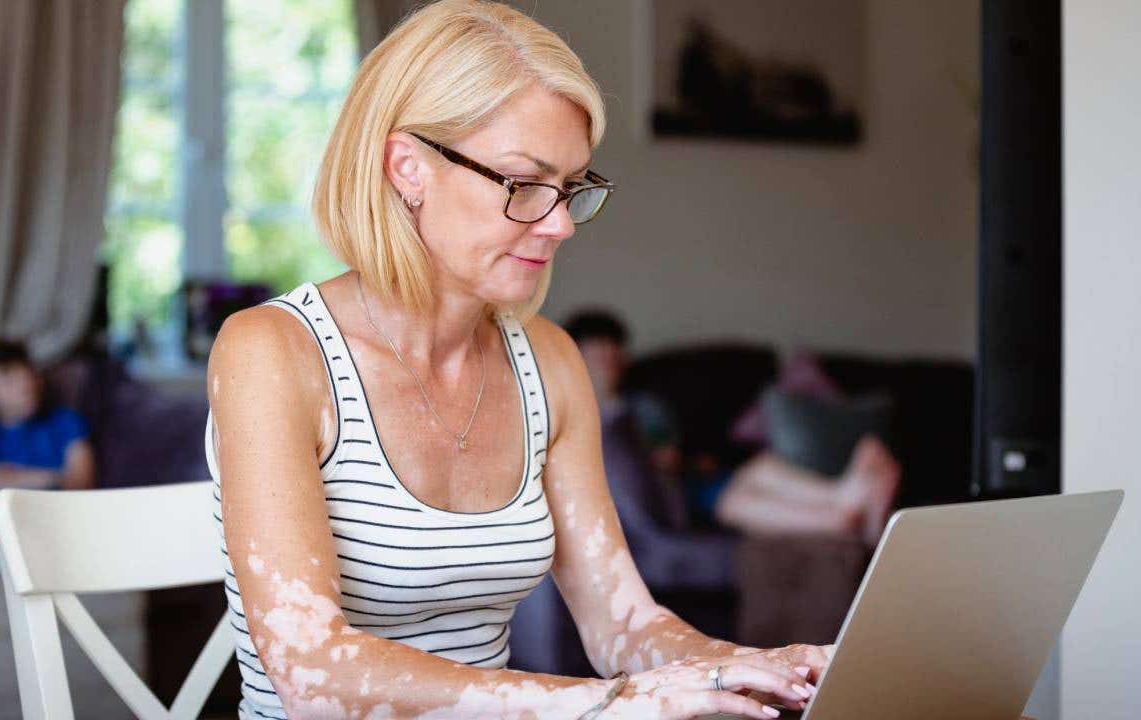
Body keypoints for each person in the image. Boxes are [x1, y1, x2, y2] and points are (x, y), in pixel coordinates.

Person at [205, 2, 831, 718]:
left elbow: (622, 623)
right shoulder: (272, 352)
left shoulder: (550, 362)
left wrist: (763, 668)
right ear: (408, 166)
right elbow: (311, 672)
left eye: (570, 187)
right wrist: (606, 705)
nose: (561, 222)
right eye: (524, 184)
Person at [564, 309, 900, 548]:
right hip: (668, 496)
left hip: (688, 478)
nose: (609, 353)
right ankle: (845, 518)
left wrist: (686, 458)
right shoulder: (574, 406)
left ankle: (844, 496)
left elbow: (672, 452)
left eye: (614, 345)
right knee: (733, 500)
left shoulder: (646, 405)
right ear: (575, 351)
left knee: (760, 468)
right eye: (598, 345)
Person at [0, 339, 95, 535]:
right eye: (8, 378)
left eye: (28, 372)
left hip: (60, 516)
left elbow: (81, 484)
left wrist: (4, 477)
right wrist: (56, 478)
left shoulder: (65, 421)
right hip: (5, 521)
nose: (25, 382)